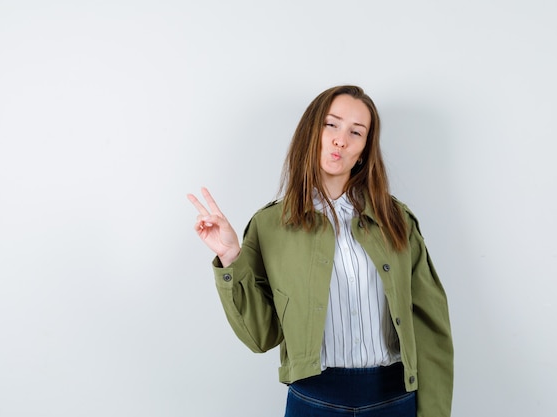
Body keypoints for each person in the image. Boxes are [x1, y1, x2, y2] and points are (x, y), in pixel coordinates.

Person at [187, 85, 453, 417]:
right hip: (313, 401)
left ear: (364, 150)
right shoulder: (270, 225)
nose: (341, 139)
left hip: (394, 400)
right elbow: (259, 336)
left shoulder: (396, 220)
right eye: (332, 125)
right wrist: (230, 257)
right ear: (312, 132)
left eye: (356, 132)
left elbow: (431, 326)